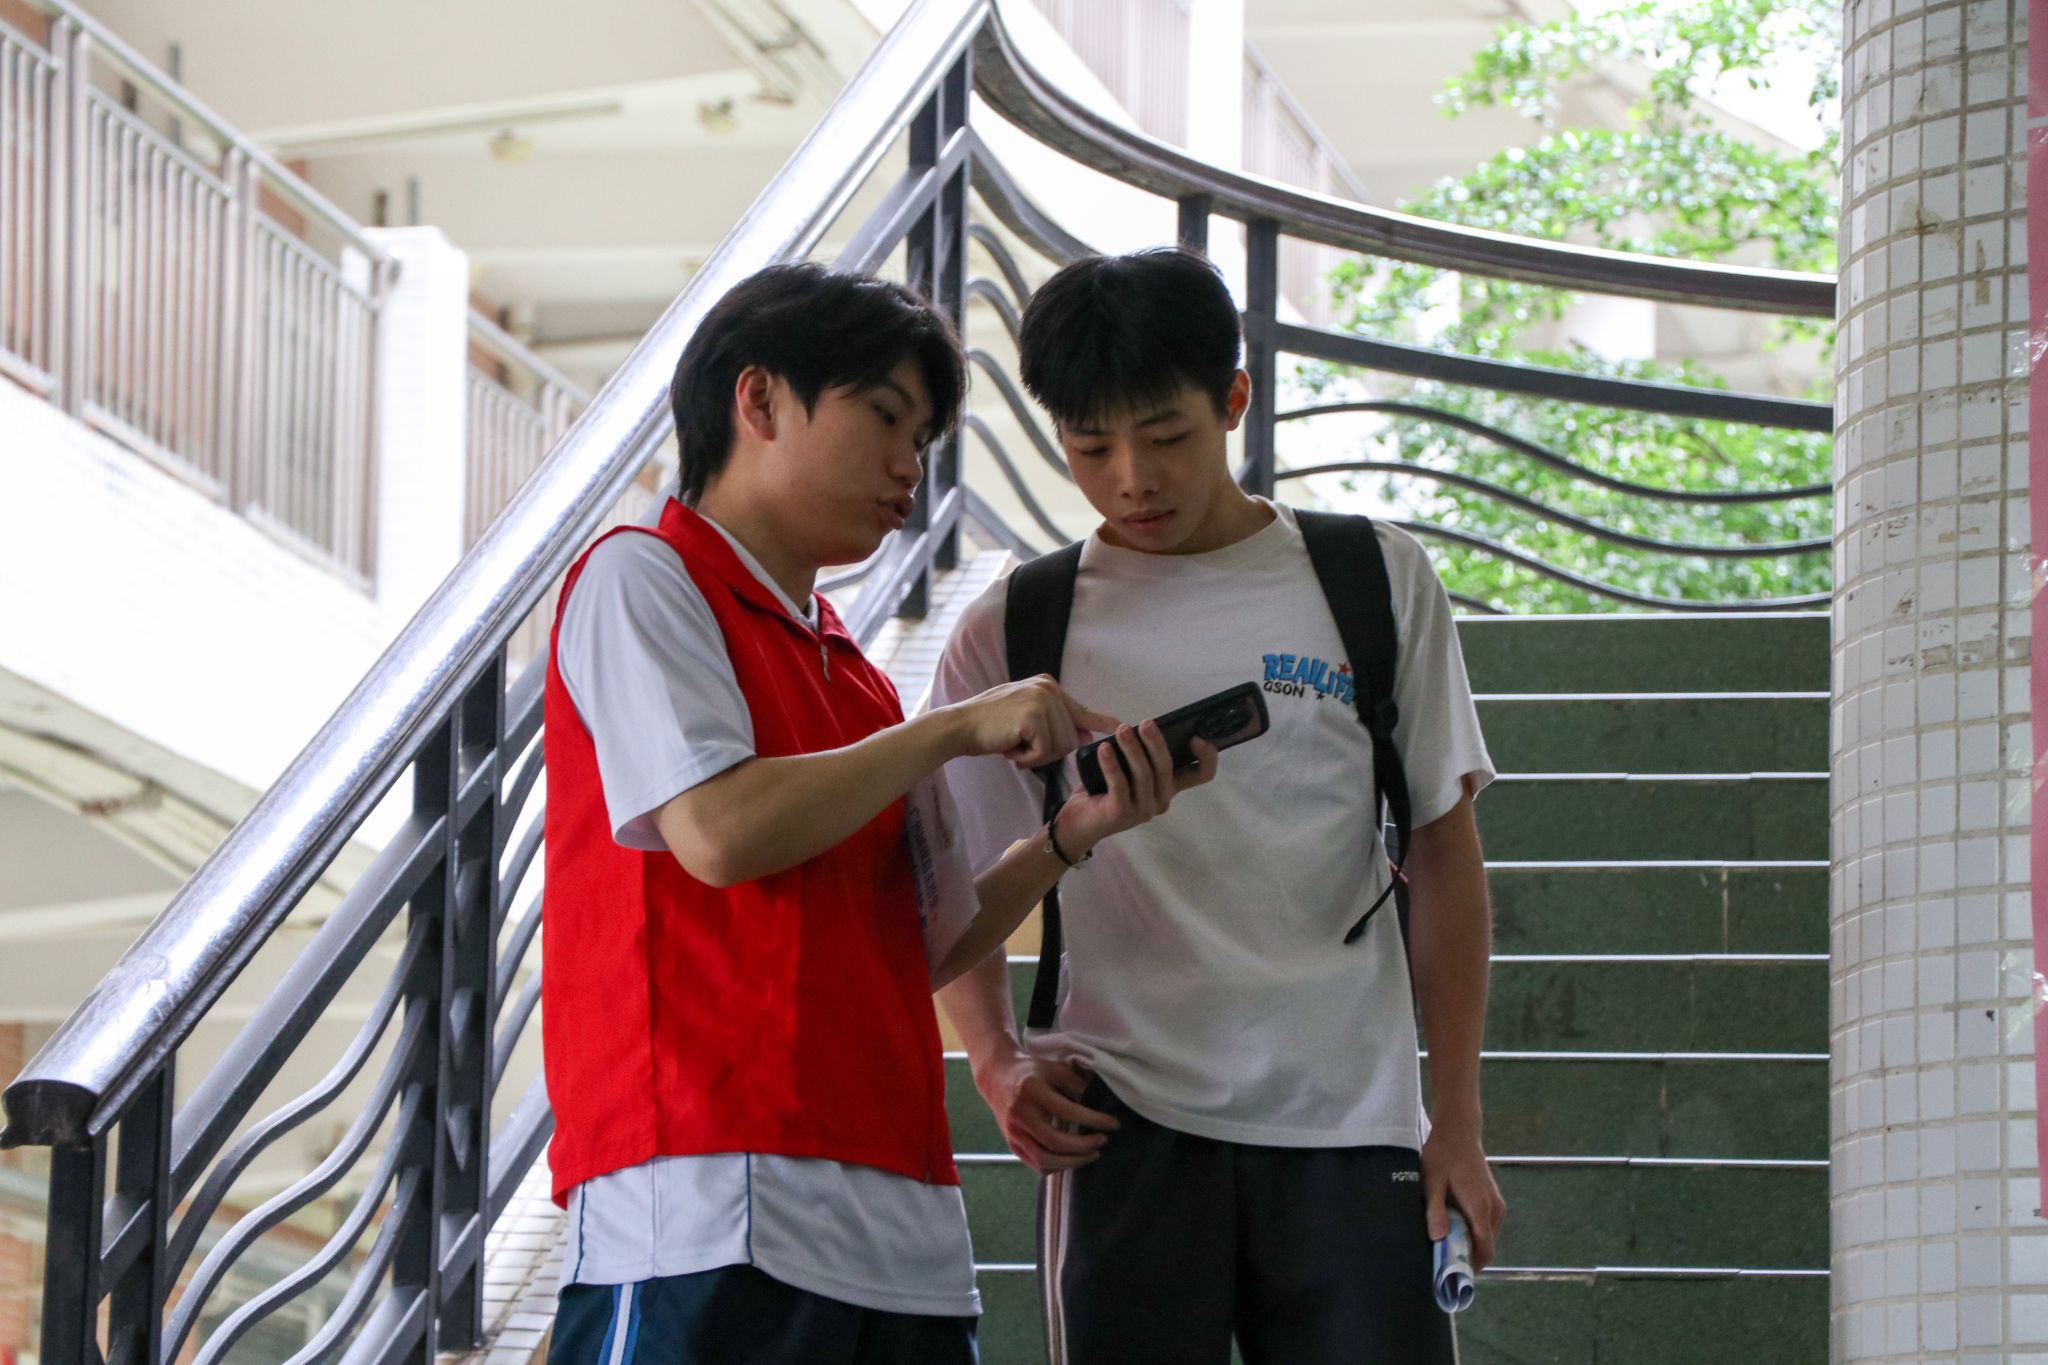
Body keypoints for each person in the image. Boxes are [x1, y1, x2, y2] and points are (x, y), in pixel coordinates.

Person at [540, 262, 1218, 1364]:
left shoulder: (853, 673)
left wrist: (1068, 836)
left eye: (926, 437)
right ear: (759, 400)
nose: (911, 465)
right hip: (704, 1196)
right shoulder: (644, 576)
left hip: (900, 1223)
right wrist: (953, 728)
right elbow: (718, 834)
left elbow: (924, 941)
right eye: (886, 418)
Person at [932, 247, 1506, 1364]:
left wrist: (1459, 1120)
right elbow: (949, 887)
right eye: (1091, 448)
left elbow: (1443, 854)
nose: (1132, 479)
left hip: (1352, 1118)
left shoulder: (1373, 580)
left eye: (1167, 435)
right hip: (1120, 1121)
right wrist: (995, 1060)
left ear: (1234, 398)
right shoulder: (1016, 627)